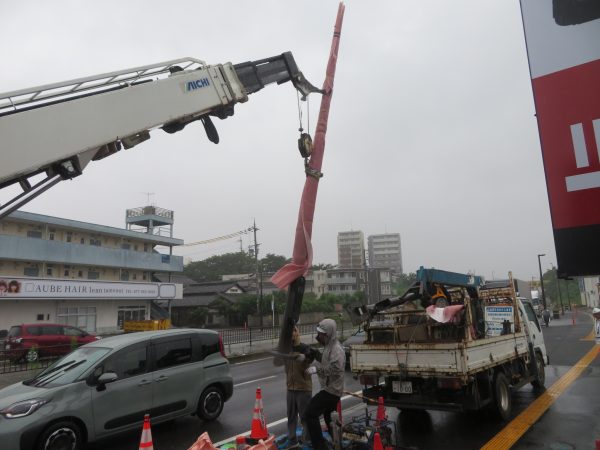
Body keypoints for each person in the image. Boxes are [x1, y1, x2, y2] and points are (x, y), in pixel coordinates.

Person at [302, 318, 345, 450]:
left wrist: (317, 369)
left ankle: (320, 446)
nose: (319, 336)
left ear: (329, 334)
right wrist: (316, 355)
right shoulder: (328, 347)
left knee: (310, 413)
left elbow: (335, 369)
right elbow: (326, 361)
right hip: (330, 389)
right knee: (329, 418)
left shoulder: (336, 349)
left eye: (322, 334)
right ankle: (338, 443)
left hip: (331, 390)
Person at [280, 326, 314, 449]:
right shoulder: (286, 349)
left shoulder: (304, 348)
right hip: (290, 387)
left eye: (295, 330)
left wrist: (305, 357)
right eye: (290, 331)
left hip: (303, 388)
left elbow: (311, 357)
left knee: (305, 417)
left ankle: (307, 441)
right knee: (291, 415)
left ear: (298, 333)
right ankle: (292, 439)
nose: (292, 334)